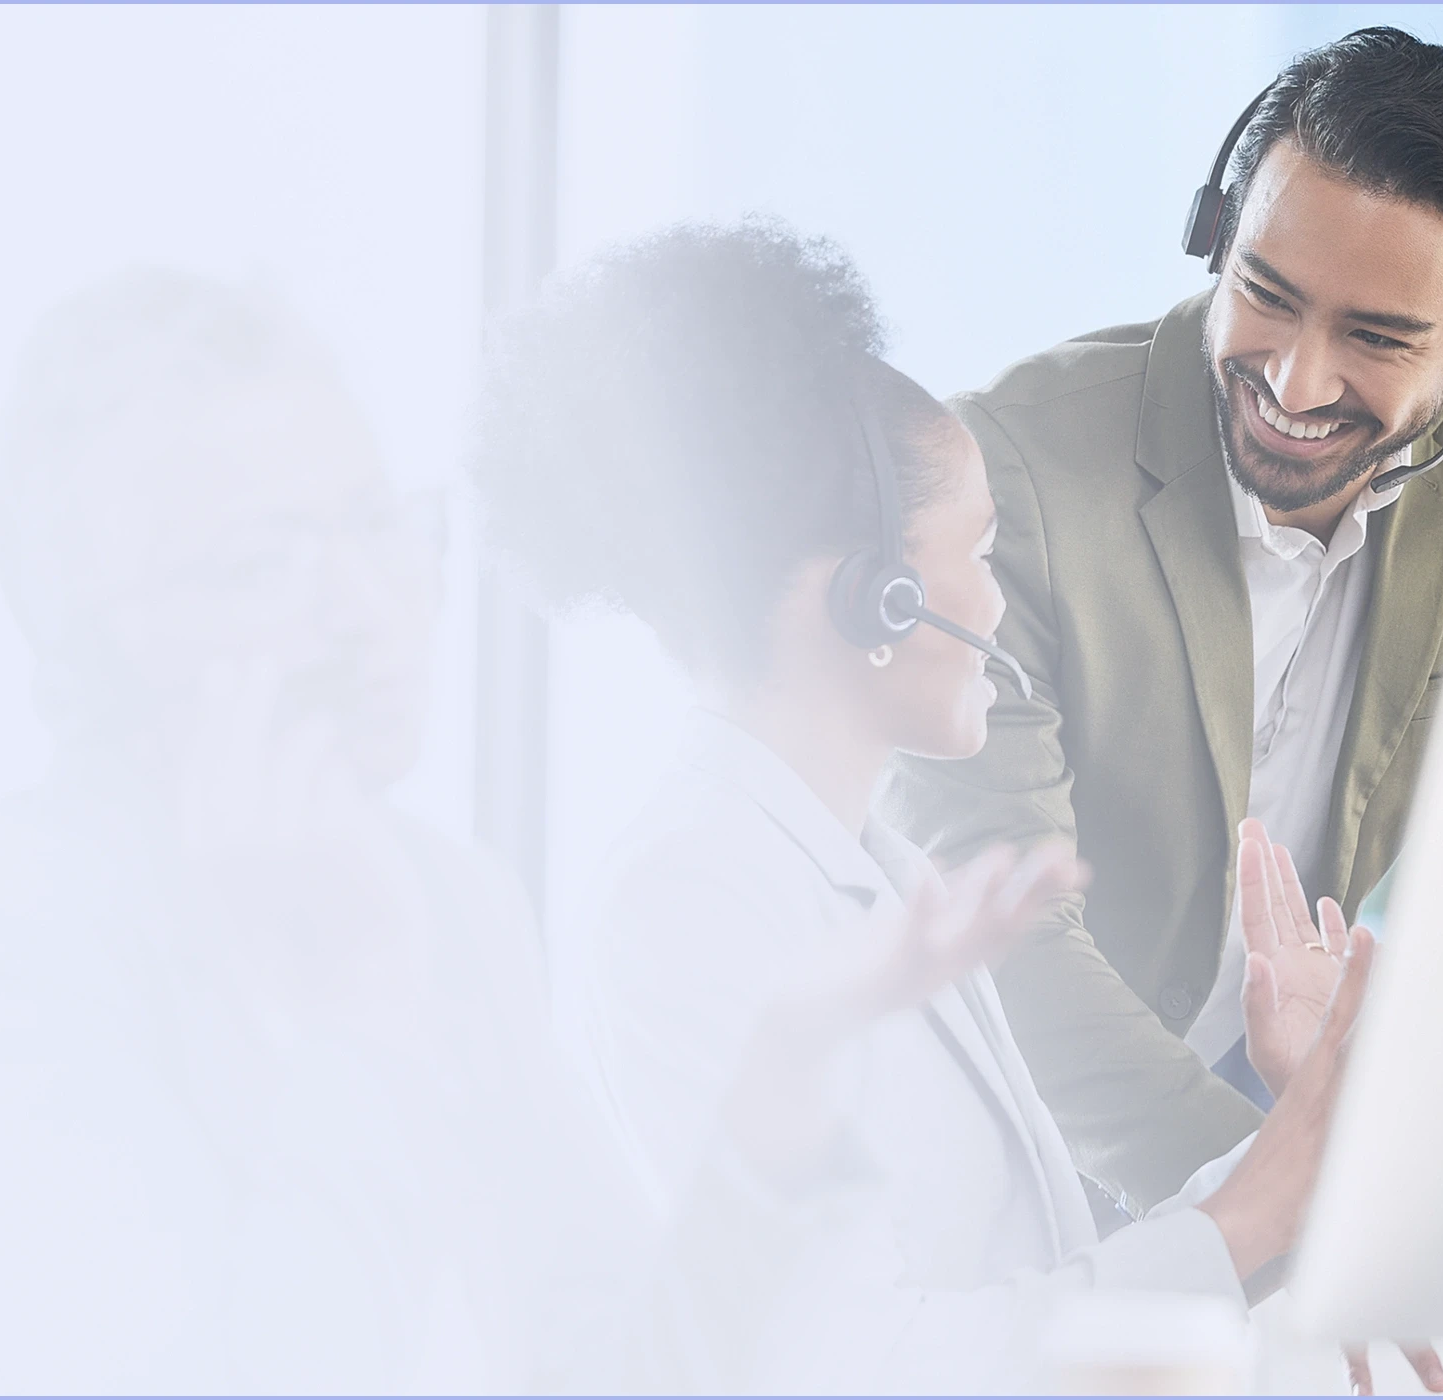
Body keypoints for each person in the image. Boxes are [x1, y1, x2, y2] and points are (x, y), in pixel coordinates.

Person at [0, 269, 1075, 1394]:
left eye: (373, 524)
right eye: (260, 563)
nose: (368, 605)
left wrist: (782, 1076)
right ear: (98, 652)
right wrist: (358, 1025)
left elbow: (636, 1369)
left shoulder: (442, 895)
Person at [466, 216, 1385, 1392]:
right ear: (877, 596)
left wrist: (1287, 1157)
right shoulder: (687, 898)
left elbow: (1039, 1287)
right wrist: (1245, 1216)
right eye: (981, 552)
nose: (997, 604)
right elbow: (859, 1363)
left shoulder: (879, 866)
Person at [876, 29, 1443, 1393]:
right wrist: (1297, 1213)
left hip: (1279, 1134)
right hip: (1033, 1191)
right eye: (1266, 293)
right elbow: (1007, 943)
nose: (1296, 381)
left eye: (1377, 339)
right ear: (1217, 237)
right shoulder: (1007, 479)